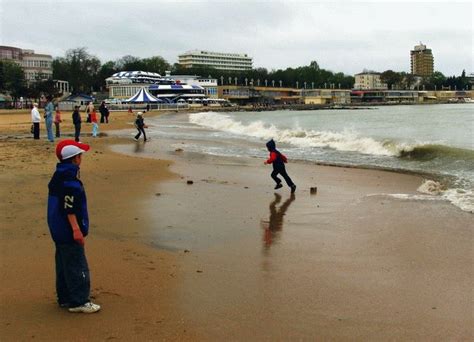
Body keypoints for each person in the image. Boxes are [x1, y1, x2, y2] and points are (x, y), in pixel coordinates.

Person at [47, 139, 101, 313]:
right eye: (80, 155)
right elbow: (68, 207)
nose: (81, 158)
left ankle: (64, 297)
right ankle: (79, 301)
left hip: (57, 228)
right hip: (67, 229)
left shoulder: (59, 175)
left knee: (63, 263)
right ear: (75, 159)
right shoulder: (69, 180)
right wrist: (76, 229)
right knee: (77, 263)